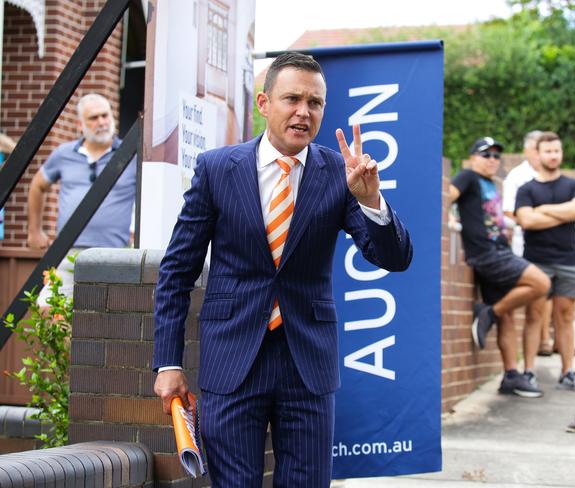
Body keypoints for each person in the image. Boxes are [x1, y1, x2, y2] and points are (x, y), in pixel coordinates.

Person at [152, 52, 412, 487]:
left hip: (306, 364)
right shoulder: (217, 169)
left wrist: (371, 202)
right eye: (292, 98)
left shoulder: (340, 173)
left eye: (315, 102)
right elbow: (177, 271)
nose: (303, 112)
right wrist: (167, 363)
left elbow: (393, 258)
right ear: (263, 103)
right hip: (232, 360)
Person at [449, 137, 550, 398]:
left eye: (496, 156)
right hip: (488, 254)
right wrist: (449, 217)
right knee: (541, 283)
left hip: (498, 251)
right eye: (486, 155)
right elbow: (446, 196)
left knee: (508, 316)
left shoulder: (490, 184)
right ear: (472, 157)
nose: (493, 160)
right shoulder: (468, 177)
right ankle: (488, 313)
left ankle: (510, 376)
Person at [27, 93, 136, 305]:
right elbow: (37, 186)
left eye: (105, 115)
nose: (102, 122)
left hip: (114, 254)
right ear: (80, 124)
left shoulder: (131, 155)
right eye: (93, 118)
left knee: (109, 320)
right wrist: (34, 232)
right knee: (48, 307)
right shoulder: (63, 154)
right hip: (68, 254)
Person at [515, 131, 575, 392]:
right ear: (537, 154)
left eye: (557, 150)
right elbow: (526, 220)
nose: (553, 155)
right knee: (534, 316)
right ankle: (529, 371)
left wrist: (543, 211)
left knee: (565, 317)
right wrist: (563, 214)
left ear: (561, 153)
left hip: (568, 260)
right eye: (548, 151)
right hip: (537, 262)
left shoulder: (573, 185)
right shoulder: (526, 189)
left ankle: (568, 372)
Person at [502, 130, 555, 357]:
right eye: (536, 149)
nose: (538, 154)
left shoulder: (553, 177)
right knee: (536, 293)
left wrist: (537, 215)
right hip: (524, 246)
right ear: (527, 151)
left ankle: (546, 339)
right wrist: (537, 218)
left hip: (552, 247)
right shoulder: (517, 176)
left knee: (550, 295)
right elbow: (510, 213)